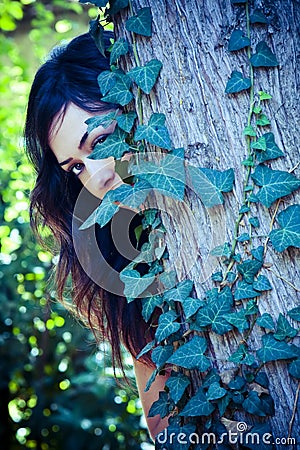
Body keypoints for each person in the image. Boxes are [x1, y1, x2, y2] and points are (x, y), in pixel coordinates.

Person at [24, 31, 169, 440]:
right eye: (75, 167)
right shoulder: (129, 273)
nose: (97, 175)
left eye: (102, 140)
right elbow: (166, 429)